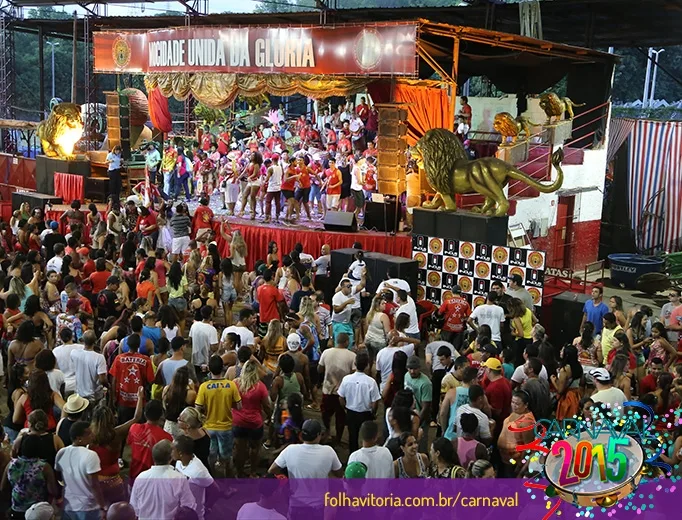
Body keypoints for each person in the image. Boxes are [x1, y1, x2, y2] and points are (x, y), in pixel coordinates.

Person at [268, 419, 343, 518]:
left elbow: (272, 470)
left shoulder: (290, 450)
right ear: (318, 435)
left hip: (295, 505)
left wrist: (286, 480)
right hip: (318, 506)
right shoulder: (329, 451)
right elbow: (339, 474)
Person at [195, 355, 242, 476]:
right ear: (223, 368)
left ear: (209, 369)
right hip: (226, 427)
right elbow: (239, 406)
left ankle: (213, 478)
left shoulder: (204, 387)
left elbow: (197, 408)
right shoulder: (231, 385)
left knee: (211, 457)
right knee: (226, 458)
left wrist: (205, 413)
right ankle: (227, 480)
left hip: (209, 428)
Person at [130, 440, 196, 520]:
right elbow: (189, 506)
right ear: (171, 458)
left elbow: (134, 509)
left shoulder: (140, 478)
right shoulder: (179, 479)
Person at [55, 420, 108, 519]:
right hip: (88, 507)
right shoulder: (91, 455)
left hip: (68, 505)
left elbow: (58, 475)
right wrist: (102, 506)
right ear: (79, 438)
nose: (92, 435)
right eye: (88, 434)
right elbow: (94, 484)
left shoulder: (61, 452)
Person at [1, 433, 59, 518]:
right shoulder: (44, 467)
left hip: (17, 508)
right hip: (37, 511)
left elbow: (3, 487)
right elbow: (53, 491)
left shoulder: (11, 464)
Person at [233, 360, 271, 478]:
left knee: (240, 450)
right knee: (255, 449)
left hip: (238, 422)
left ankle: (239, 472)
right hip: (255, 423)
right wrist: (270, 416)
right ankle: (253, 472)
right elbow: (267, 405)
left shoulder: (235, 383)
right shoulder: (260, 387)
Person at [338, 351, 381, 453]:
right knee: (367, 436)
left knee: (352, 437)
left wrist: (345, 408)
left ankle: (353, 456)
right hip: (366, 413)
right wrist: (373, 413)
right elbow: (375, 401)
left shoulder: (346, 379)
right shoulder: (371, 382)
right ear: (366, 365)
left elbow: (340, 397)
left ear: (355, 363)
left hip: (351, 412)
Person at [318, 332, 356, 445]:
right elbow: (354, 373)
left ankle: (327, 430)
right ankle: (338, 438)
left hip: (328, 389)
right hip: (343, 392)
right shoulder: (352, 356)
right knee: (341, 417)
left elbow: (319, 369)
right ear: (346, 342)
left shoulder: (326, 352)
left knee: (325, 413)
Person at [127, 400, 173, 483]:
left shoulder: (134, 428)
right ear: (160, 416)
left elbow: (129, 444)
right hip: (153, 479)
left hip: (134, 476)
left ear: (145, 414)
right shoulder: (166, 438)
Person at [172, 436, 213, 520]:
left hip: (195, 515)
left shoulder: (199, 471)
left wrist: (207, 506)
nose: (171, 452)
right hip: (181, 512)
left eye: (173, 449)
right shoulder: (179, 462)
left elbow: (215, 490)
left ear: (180, 453)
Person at [497, 391, 535, 476]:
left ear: (526, 405)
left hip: (514, 462)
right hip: (504, 458)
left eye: (517, 404)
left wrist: (520, 466)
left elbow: (528, 446)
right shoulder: (516, 412)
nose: (514, 405)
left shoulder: (527, 421)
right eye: (512, 402)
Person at [404, 356, 432, 452]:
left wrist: (418, 422)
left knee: (421, 446)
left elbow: (426, 406)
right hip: (408, 415)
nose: (412, 371)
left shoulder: (425, 383)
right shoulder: (406, 376)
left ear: (419, 368)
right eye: (410, 368)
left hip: (421, 418)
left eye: (415, 369)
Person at [482, 357, 511, 437]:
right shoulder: (505, 381)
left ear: (489, 370)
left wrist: (484, 403)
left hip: (498, 425)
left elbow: (497, 411)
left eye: (485, 368)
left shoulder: (495, 387)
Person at [189, 306, 219, 379]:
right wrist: (218, 336)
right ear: (211, 314)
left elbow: (190, 340)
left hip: (194, 359)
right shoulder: (212, 329)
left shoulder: (194, 325)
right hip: (206, 362)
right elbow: (214, 347)